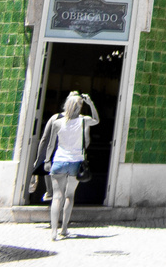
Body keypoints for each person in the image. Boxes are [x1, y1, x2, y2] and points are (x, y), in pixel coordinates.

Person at [34, 91, 99, 241]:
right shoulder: (83, 121)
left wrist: (47, 161)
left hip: (59, 161)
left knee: (57, 196)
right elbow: (96, 120)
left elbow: (50, 145)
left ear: (66, 105)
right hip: (75, 162)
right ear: (79, 107)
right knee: (69, 195)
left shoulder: (57, 122)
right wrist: (91, 103)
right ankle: (64, 228)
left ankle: (53, 232)